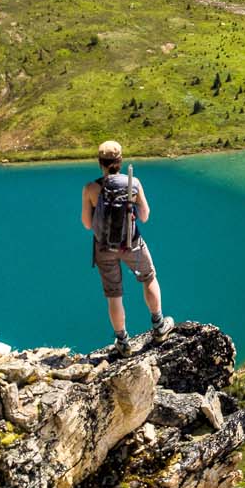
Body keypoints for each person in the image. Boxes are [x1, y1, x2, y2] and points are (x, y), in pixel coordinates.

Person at [82, 140, 173, 355]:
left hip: (103, 248)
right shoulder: (134, 183)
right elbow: (145, 215)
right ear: (120, 161)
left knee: (114, 295)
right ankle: (159, 326)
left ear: (100, 162)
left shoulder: (90, 188)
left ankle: (122, 341)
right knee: (149, 277)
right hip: (132, 243)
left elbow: (87, 224)